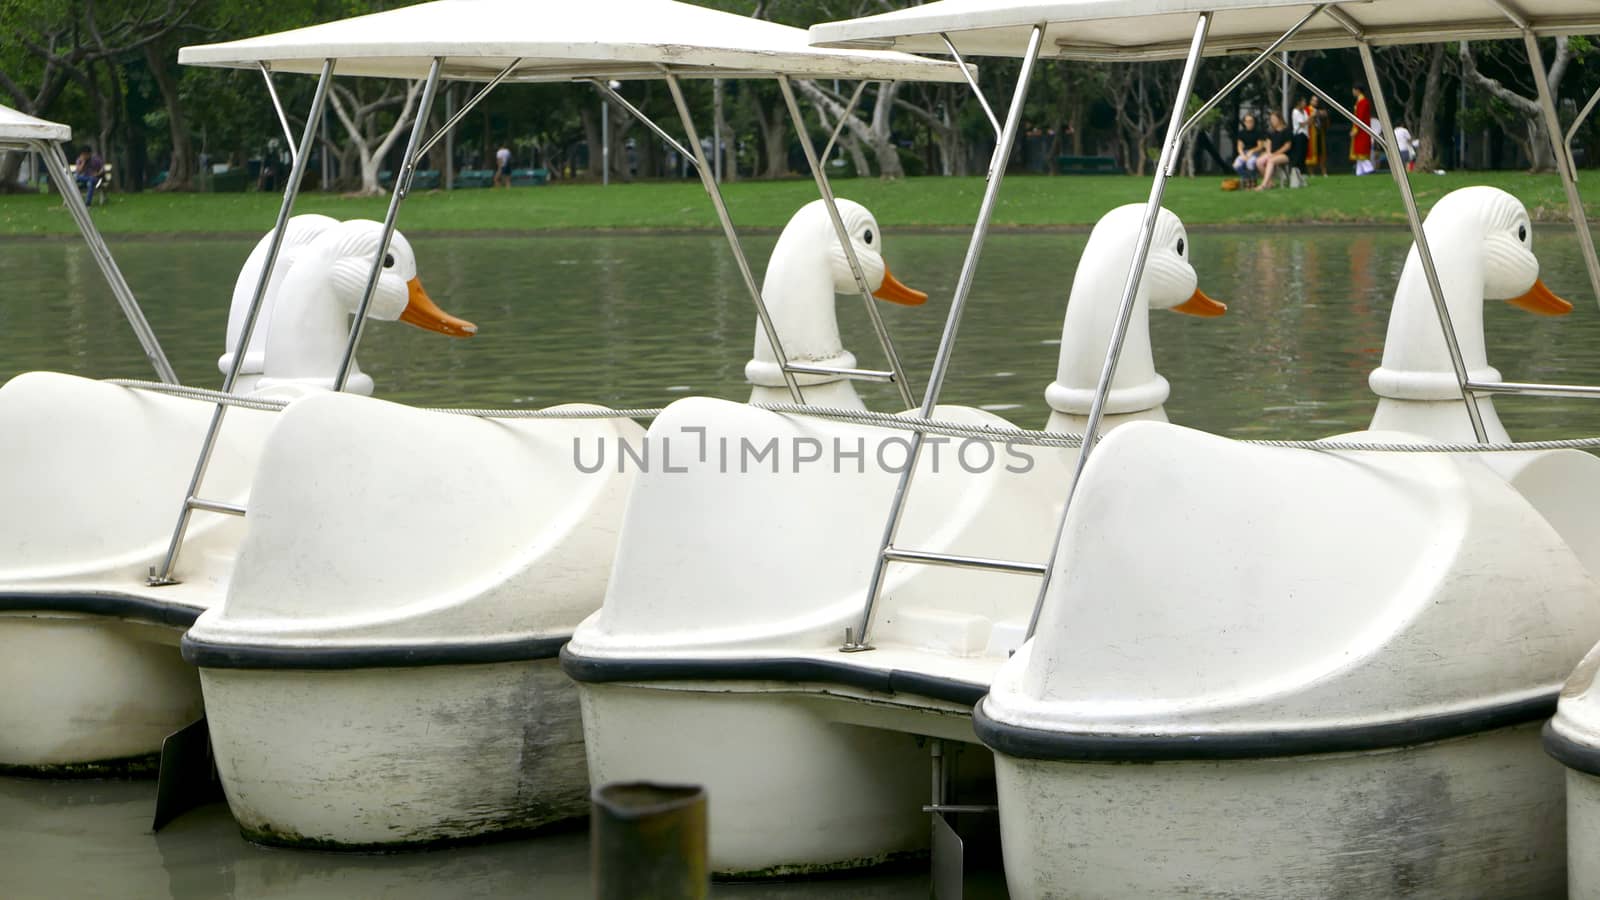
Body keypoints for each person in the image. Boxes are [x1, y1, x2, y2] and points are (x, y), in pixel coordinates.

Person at [1254, 111, 1294, 191]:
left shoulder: (1287, 130)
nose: (1272, 121)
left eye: (1274, 119)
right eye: (1271, 119)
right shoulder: (1271, 132)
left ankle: (1263, 185)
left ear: (1279, 119)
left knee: (1271, 161)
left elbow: (1287, 146)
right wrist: (1269, 153)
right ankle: (1270, 182)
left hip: (1285, 155)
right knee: (1259, 161)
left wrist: (1275, 154)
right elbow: (1268, 143)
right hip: (1272, 153)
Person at [1232, 113, 1266, 188]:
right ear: (1244, 123)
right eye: (1247, 121)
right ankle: (1247, 178)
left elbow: (1260, 146)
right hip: (1244, 153)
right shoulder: (1241, 133)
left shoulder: (1258, 132)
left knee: (1250, 163)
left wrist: (1252, 151)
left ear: (1254, 122)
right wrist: (1242, 155)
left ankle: (1253, 181)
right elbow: (1239, 146)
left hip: (1255, 153)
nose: (1249, 123)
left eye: (1251, 121)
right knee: (1236, 165)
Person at [1350, 85, 1375, 175]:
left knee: (1361, 152)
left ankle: (1369, 169)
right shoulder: (1360, 101)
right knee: (1358, 154)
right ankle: (1359, 172)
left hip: (1361, 131)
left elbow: (1359, 118)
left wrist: (1355, 130)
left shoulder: (1362, 102)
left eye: (1353, 90)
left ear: (1358, 90)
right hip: (1361, 130)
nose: (1353, 92)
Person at [1305, 95, 1329, 177]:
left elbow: (1326, 120)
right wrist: (1312, 116)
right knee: (1311, 153)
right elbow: (1306, 122)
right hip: (1311, 134)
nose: (1315, 102)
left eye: (1316, 101)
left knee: (1322, 153)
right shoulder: (1307, 109)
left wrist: (1320, 113)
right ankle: (1311, 173)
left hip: (1320, 133)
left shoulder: (1320, 110)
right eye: (1313, 100)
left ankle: (1324, 172)